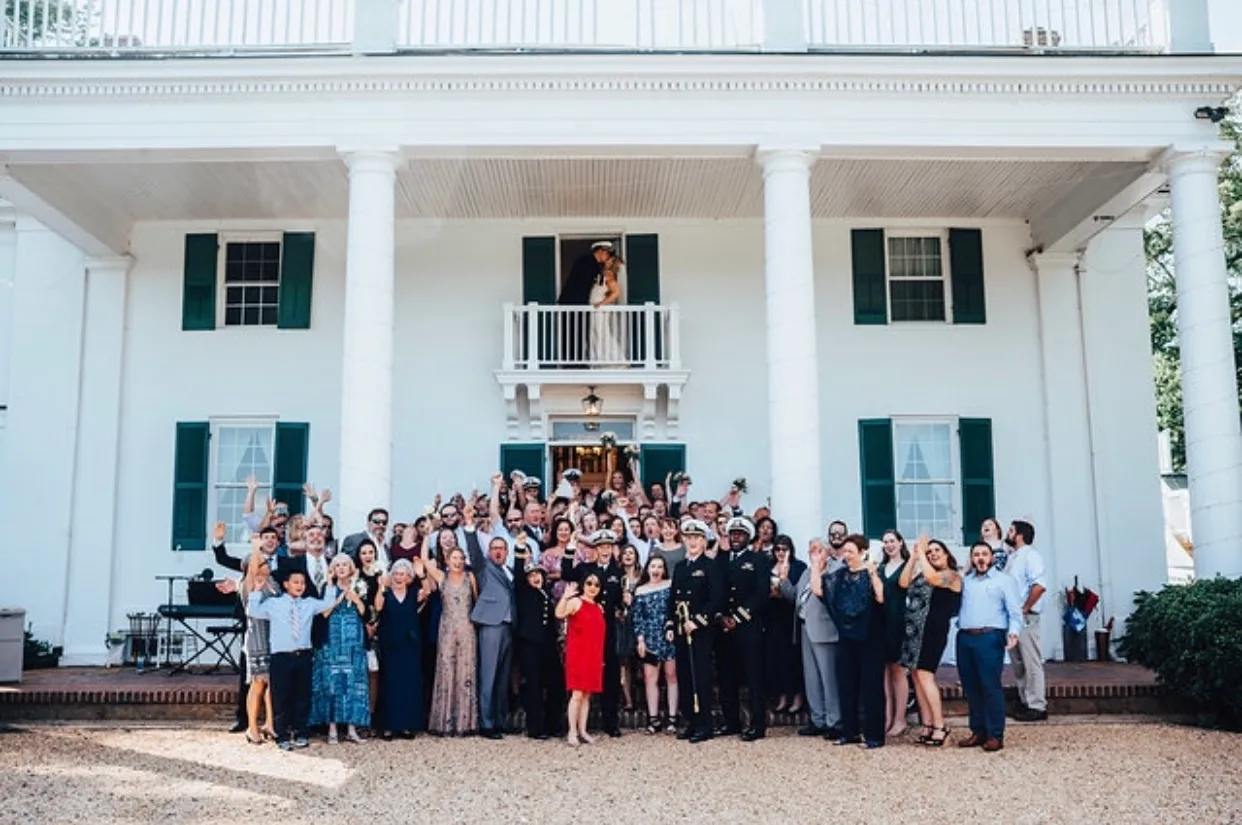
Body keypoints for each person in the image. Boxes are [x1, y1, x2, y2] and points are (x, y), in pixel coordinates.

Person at [245, 563, 338, 751]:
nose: (300, 586)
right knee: (281, 697)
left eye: (302, 583)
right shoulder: (274, 604)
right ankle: (282, 735)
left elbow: (328, 604)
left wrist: (329, 582)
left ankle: (301, 732)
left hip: (303, 655)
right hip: (281, 657)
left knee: (302, 696)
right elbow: (252, 611)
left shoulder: (309, 603)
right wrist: (256, 590)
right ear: (286, 584)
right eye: (295, 582)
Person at [813, 533, 886, 749]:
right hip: (846, 637)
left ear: (863, 553)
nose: (846, 555)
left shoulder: (872, 572)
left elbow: (881, 597)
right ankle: (849, 732)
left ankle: (874, 736)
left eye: (851, 552)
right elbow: (819, 590)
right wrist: (817, 565)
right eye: (845, 551)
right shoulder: (839, 575)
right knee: (846, 684)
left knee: (871, 687)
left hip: (870, 637)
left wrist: (873, 574)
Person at [957, 541, 1024, 752]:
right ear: (971, 559)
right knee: (971, 687)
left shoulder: (1004, 581)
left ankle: (995, 734)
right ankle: (978, 731)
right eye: (976, 554)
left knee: (989, 685)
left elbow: (1015, 611)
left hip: (989, 637)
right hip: (965, 637)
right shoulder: (965, 582)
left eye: (984, 554)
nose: (980, 558)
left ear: (992, 557)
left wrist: (1013, 632)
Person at [562, 527, 624, 737]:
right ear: (595, 549)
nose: (605, 550)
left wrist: (623, 606)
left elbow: (620, 600)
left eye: (608, 546)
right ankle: (576, 727)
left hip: (607, 629)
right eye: (601, 546)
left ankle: (611, 723)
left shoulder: (618, 571)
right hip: (585, 628)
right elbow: (566, 573)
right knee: (583, 681)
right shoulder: (586, 568)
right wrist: (571, 547)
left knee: (611, 677)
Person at [900, 536, 962, 746]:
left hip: (932, 631)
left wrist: (923, 556)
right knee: (916, 676)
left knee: (926, 675)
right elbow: (903, 583)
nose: (933, 553)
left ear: (947, 554)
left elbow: (934, 580)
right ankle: (926, 724)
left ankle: (939, 726)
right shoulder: (922, 573)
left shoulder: (951, 576)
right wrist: (913, 557)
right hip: (913, 632)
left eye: (937, 550)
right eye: (930, 551)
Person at [666, 519, 723, 743]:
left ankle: (704, 724)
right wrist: (670, 624)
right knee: (685, 676)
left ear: (703, 541)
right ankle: (690, 719)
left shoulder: (711, 566)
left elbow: (716, 598)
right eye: (688, 538)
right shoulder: (681, 567)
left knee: (700, 675)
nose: (692, 542)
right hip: (682, 629)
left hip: (700, 630)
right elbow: (673, 598)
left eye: (697, 538)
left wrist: (698, 621)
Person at [780, 538, 842, 739]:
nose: (813, 554)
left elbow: (827, 595)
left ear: (827, 552)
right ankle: (818, 719)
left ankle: (835, 721)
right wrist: (783, 579)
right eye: (810, 550)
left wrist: (817, 569)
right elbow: (794, 597)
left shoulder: (835, 570)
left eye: (817, 550)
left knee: (829, 678)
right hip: (805, 628)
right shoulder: (807, 572)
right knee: (812, 678)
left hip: (826, 630)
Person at [717, 516, 771, 741]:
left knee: (753, 677)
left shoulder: (758, 560)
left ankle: (758, 726)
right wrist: (720, 616)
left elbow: (761, 593)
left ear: (748, 537)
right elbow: (717, 593)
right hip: (724, 628)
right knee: (726, 677)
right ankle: (732, 722)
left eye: (740, 534)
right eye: (733, 534)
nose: (735, 537)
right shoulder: (720, 561)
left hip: (748, 626)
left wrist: (738, 617)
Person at [308, 554, 372, 744]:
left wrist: (356, 599)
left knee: (353, 683)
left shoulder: (359, 586)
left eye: (345, 565)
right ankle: (332, 728)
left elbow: (366, 614)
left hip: (354, 641)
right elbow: (322, 614)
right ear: (333, 570)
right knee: (333, 682)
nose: (342, 568)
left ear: (351, 568)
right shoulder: (327, 589)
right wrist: (336, 600)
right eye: (338, 565)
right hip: (332, 639)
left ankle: (352, 728)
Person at [464, 512, 516, 740]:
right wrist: (469, 527)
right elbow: (474, 551)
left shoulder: (511, 571)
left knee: (503, 677)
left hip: (509, 626)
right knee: (489, 675)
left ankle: (500, 720)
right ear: (489, 551)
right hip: (491, 625)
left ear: (506, 552)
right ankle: (486, 723)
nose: (497, 551)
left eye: (501, 548)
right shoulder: (484, 568)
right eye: (494, 548)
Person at [425, 544, 479, 736]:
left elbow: (476, 600)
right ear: (447, 561)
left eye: (461, 558)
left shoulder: (470, 577)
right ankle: (443, 722)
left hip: (466, 627)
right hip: (447, 628)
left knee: (466, 672)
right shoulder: (442, 577)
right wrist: (428, 533)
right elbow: (424, 560)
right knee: (446, 671)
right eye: (454, 558)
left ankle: (465, 723)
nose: (458, 562)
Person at [514, 537, 564, 740]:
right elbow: (518, 574)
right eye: (532, 575)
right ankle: (535, 728)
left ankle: (553, 724)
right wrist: (518, 550)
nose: (536, 578)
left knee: (556, 684)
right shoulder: (523, 592)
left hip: (548, 645)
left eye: (539, 575)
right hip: (530, 645)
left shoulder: (546, 594)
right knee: (533, 686)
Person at [374, 558, 429, 739]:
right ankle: (389, 725)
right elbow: (378, 606)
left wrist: (422, 575)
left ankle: (406, 725)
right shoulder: (387, 593)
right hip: (391, 644)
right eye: (396, 573)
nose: (399, 577)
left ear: (408, 576)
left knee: (409, 683)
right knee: (390, 683)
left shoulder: (414, 593)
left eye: (402, 573)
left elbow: (427, 591)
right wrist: (381, 587)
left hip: (410, 644)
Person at [1005, 518, 1048, 722]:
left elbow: (1039, 585)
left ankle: (1037, 705)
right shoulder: (1013, 557)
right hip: (1013, 618)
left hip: (1026, 617)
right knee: (1018, 662)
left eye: (1011, 530)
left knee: (1031, 661)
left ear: (1020, 535)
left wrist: (1025, 608)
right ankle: (1025, 702)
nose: (1008, 533)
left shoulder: (1031, 556)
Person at [558, 573, 607, 747]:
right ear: (583, 584)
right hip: (578, 654)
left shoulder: (599, 607)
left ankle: (583, 729)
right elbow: (559, 613)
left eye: (597, 584)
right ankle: (571, 731)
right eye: (589, 583)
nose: (593, 587)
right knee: (577, 694)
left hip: (594, 655)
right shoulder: (576, 602)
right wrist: (565, 596)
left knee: (587, 695)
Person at [631, 555, 678, 734]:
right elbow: (637, 618)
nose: (656, 570)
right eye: (653, 566)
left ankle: (672, 718)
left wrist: (671, 625)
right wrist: (640, 640)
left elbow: (673, 610)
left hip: (668, 636)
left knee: (671, 675)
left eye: (659, 566)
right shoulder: (641, 590)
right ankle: (654, 719)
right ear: (648, 569)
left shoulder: (670, 586)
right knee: (651, 679)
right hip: (649, 637)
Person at [766, 534, 806, 715]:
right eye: (778, 549)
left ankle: (797, 696)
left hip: (791, 619)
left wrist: (784, 579)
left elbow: (796, 595)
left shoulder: (798, 567)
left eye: (785, 549)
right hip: (773, 617)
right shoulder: (767, 567)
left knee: (793, 659)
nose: (781, 553)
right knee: (776, 659)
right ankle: (781, 696)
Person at [878, 529, 911, 736]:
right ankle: (887, 716)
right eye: (885, 542)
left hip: (899, 621)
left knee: (898, 671)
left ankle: (900, 718)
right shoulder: (880, 568)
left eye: (892, 541)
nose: (889, 545)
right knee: (884, 672)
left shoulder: (908, 566)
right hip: (881, 622)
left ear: (900, 543)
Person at [588, 241, 624, 364]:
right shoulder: (601, 274)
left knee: (601, 333)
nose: (606, 261)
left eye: (609, 259)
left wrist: (602, 303)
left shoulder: (608, 275)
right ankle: (596, 359)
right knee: (595, 333)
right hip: (594, 309)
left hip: (599, 310)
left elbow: (616, 292)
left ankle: (609, 360)